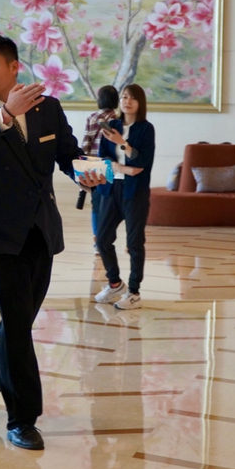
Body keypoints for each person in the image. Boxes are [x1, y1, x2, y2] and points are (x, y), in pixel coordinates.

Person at [0, 35, 102, 451]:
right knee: (18, 325)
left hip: (40, 230)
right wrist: (5, 114)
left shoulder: (47, 108)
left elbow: (68, 153)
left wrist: (84, 172)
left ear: (14, 67)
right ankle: (23, 420)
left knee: (17, 322)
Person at [94, 84, 155, 311]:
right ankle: (115, 283)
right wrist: (123, 168)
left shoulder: (146, 129)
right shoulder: (112, 125)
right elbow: (103, 158)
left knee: (134, 244)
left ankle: (134, 292)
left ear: (140, 102)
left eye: (132, 98)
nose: (127, 101)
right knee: (102, 240)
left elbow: (142, 162)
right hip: (111, 189)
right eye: (123, 97)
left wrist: (122, 143)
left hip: (135, 192)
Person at [81, 85, 118, 250]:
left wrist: (83, 166)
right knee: (111, 205)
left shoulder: (92, 117)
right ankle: (106, 239)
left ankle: (98, 240)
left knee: (96, 205)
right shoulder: (117, 118)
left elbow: (86, 144)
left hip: (94, 166)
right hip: (112, 166)